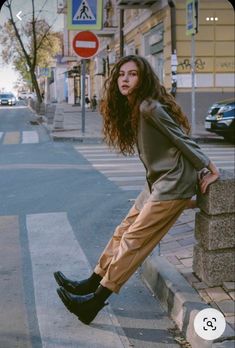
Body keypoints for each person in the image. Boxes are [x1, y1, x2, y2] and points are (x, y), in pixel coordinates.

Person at [54, 55, 219, 325]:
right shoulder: (135, 107)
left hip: (173, 183)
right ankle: (90, 282)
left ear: (143, 79)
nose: (125, 79)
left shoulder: (149, 107)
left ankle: (94, 302)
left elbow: (181, 137)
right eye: (121, 74)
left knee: (134, 241)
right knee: (122, 231)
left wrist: (210, 168)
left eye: (132, 74)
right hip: (156, 182)